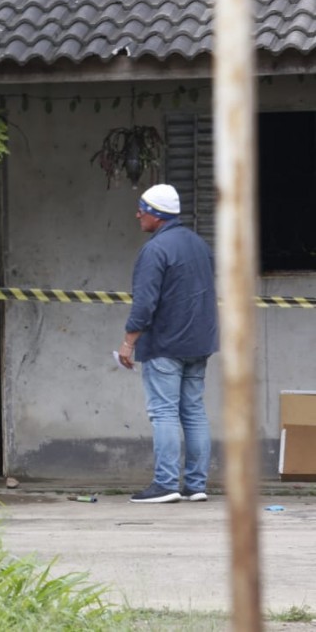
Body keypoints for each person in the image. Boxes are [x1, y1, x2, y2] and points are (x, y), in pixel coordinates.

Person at [118, 184, 219, 504]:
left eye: (142, 209)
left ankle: (165, 484)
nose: (137, 214)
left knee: (163, 413)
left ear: (157, 215)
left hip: (165, 343)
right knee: (193, 411)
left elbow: (145, 304)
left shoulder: (155, 250)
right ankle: (196, 485)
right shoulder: (199, 245)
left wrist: (128, 341)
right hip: (200, 341)